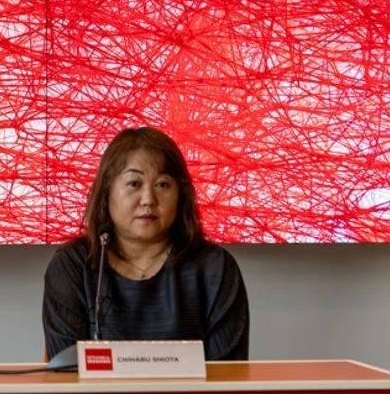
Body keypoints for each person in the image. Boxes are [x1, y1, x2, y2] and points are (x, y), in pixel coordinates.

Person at [42, 126, 250, 361]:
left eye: (162, 184)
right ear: (107, 193)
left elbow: (228, 373)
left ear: (181, 194)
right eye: (134, 183)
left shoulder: (215, 268)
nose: (148, 199)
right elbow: (65, 370)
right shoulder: (74, 265)